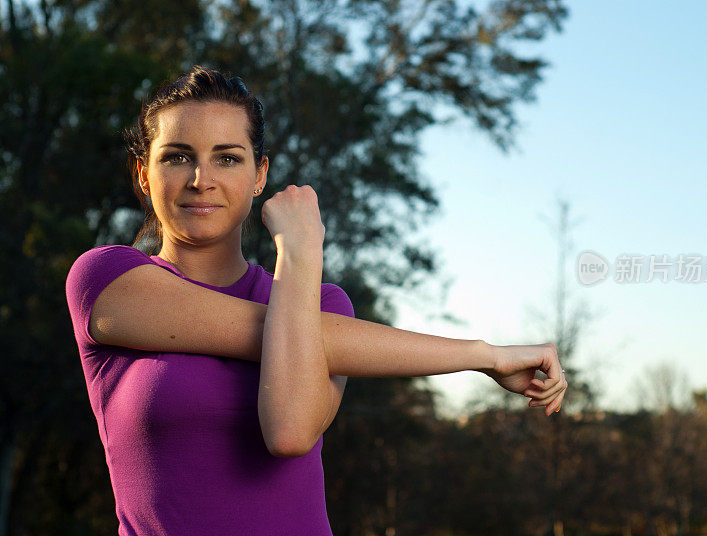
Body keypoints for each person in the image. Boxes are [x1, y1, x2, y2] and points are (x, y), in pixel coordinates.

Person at [65, 65, 567, 536]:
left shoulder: (324, 303)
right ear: (143, 175)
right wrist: (482, 355)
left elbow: (289, 431)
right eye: (177, 157)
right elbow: (274, 334)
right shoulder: (107, 280)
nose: (202, 178)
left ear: (260, 174)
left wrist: (301, 252)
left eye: (228, 157)